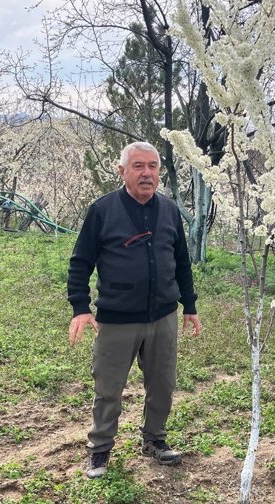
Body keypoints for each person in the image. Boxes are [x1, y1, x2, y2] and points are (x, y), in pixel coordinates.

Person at [67, 141, 202, 478]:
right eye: (138, 166)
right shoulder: (103, 210)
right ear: (122, 171)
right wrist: (80, 308)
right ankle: (100, 450)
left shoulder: (169, 210)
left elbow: (181, 261)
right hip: (116, 320)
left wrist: (190, 304)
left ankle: (154, 440)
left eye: (153, 166)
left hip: (163, 317)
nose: (147, 173)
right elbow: (80, 262)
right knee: (108, 389)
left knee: (163, 385)